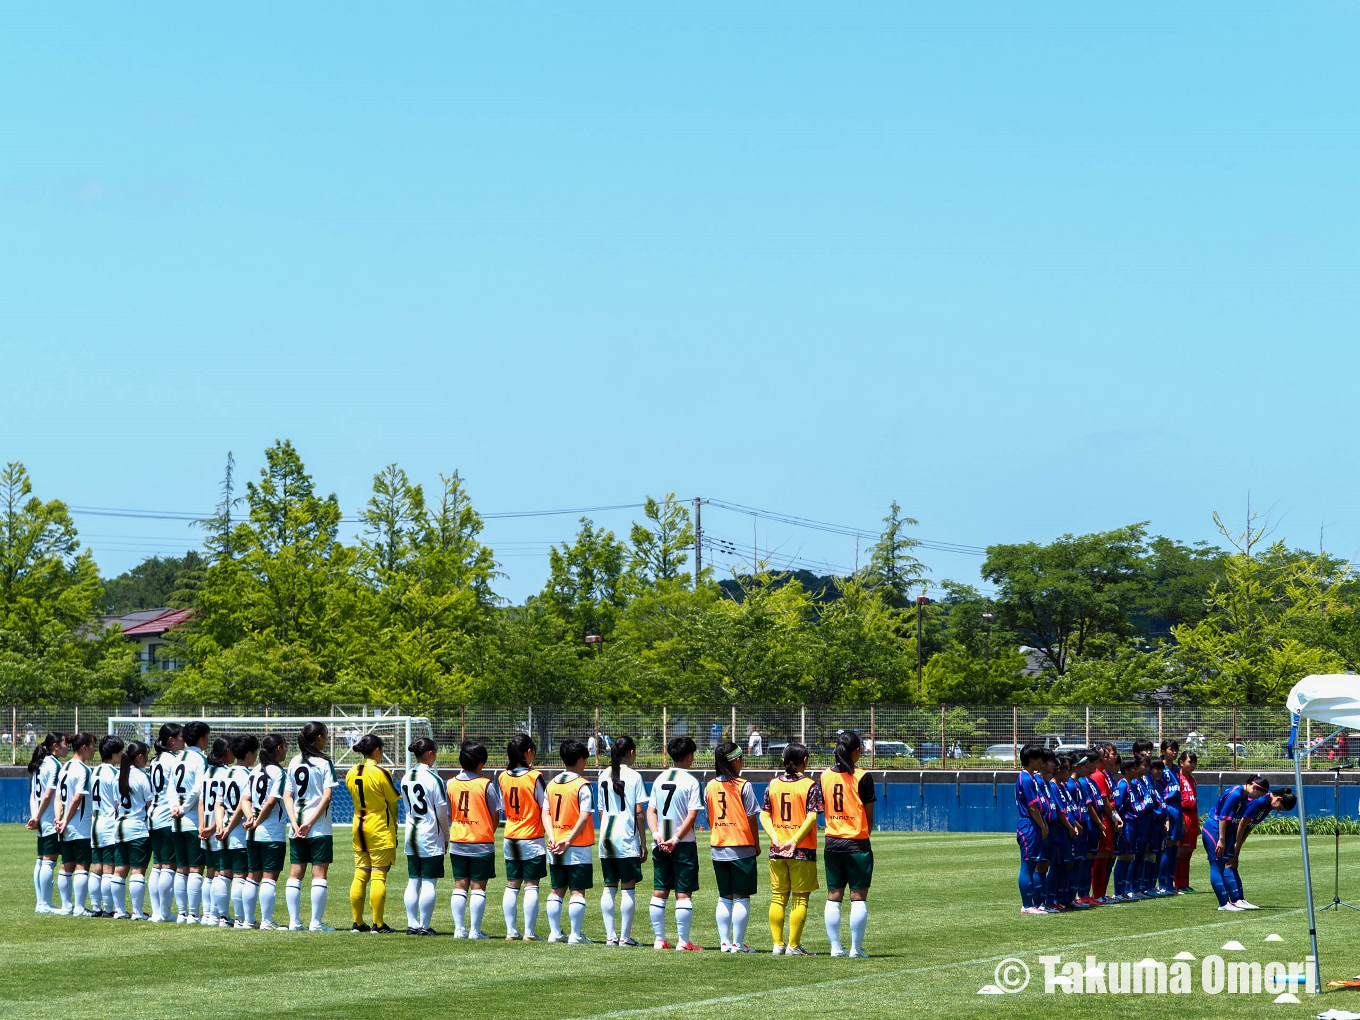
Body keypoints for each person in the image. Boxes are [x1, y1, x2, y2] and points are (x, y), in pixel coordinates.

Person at [760, 741, 823, 955]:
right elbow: (812, 815)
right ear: (804, 761)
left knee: (778, 897)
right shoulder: (810, 785)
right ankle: (793, 945)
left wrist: (776, 838)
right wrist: (794, 840)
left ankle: (777, 944)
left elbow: (764, 814)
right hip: (802, 851)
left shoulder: (773, 784)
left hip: (776, 851)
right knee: (800, 897)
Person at [820, 730, 875, 957]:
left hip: (832, 841)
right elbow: (869, 816)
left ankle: (835, 948)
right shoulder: (863, 777)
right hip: (856, 843)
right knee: (858, 897)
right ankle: (855, 948)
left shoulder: (824, 775)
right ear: (856, 751)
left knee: (834, 896)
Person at [646, 734, 703, 951]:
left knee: (660, 891)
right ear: (689, 756)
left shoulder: (660, 778)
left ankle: (659, 940)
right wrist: (677, 838)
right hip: (683, 844)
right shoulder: (691, 780)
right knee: (683, 893)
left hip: (660, 842)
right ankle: (683, 941)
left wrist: (656, 834)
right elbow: (692, 815)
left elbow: (651, 810)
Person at [706, 740, 761, 953]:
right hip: (741, 846)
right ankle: (738, 943)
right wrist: (755, 844)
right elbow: (751, 819)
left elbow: (711, 817)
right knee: (742, 897)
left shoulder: (710, 785)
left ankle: (724, 942)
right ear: (737, 760)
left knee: (724, 897)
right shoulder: (743, 785)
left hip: (719, 847)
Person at [283, 721, 338, 931]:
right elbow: (327, 796)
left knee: (295, 874)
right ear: (318, 739)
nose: (327, 739)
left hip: (296, 827)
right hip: (318, 828)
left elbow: (287, 796)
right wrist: (309, 823)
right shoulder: (324, 763)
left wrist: (295, 823)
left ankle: (293, 921)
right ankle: (316, 922)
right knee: (319, 874)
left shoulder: (294, 761)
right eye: (325, 735)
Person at [344, 734, 401, 934]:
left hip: (358, 826)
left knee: (360, 874)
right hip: (378, 826)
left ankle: (357, 923)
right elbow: (392, 802)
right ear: (377, 750)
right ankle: (378, 924)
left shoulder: (351, 772)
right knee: (378, 875)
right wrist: (395, 821)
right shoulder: (381, 772)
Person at [446, 740, 503, 939]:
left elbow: (450, 812)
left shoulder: (451, 783)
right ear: (481, 763)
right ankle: (474, 931)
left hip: (458, 842)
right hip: (481, 842)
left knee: (459, 885)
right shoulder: (485, 784)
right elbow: (495, 814)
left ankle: (458, 929)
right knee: (478, 887)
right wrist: (488, 830)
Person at [596, 734, 648, 947]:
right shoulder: (634, 776)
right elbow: (639, 812)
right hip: (626, 838)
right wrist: (643, 843)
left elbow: (601, 811)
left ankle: (610, 936)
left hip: (606, 838)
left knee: (609, 887)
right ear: (631, 753)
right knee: (628, 887)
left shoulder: (602, 775)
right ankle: (625, 938)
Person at [499, 733, 549, 941]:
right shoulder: (534, 777)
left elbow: (503, 807)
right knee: (531, 884)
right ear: (528, 753)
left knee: (512, 884)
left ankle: (511, 931)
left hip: (510, 836)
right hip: (531, 837)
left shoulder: (502, 776)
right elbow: (543, 806)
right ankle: (529, 932)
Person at [546, 738, 595, 945]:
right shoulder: (582, 785)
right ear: (581, 759)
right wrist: (568, 840)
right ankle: (575, 934)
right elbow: (584, 817)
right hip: (577, 846)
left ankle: (554, 932)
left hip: (555, 844)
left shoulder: (552, 783)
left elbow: (545, 813)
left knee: (557, 889)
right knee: (577, 890)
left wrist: (553, 837)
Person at [400, 737, 449, 936]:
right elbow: (441, 813)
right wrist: (446, 835)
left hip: (411, 833)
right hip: (430, 834)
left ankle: (412, 923)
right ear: (430, 754)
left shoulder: (405, 777)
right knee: (429, 881)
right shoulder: (434, 779)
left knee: (413, 880)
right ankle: (425, 925)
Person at [1200, 774, 1269, 911]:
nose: (1258, 798)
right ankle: (1223, 903)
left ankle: (1232, 901)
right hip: (1214, 828)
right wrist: (1221, 839)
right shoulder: (1236, 794)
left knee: (1222, 864)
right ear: (1254, 787)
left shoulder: (1242, 795)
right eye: (1259, 794)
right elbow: (1223, 818)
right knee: (1216, 864)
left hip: (1224, 830)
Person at [244, 733, 288, 929]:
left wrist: (250, 818)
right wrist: (258, 821)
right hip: (270, 833)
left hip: (252, 834)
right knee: (270, 877)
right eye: (285, 746)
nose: (287, 750)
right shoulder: (278, 772)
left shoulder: (254, 771)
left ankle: (248, 920)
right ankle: (267, 921)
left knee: (253, 877)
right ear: (278, 748)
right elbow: (271, 802)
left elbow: (244, 800)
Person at [1229, 787, 1297, 910]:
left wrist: (1242, 841)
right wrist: (1237, 843)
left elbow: (1252, 824)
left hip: (1238, 834)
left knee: (1234, 864)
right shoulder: (1260, 801)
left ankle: (1240, 898)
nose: (1279, 810)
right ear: (1278, 799)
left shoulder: (1268, 805)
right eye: (1280, 807)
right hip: (1231, 830)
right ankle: (1233, 900)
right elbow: (1243, 822)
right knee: (1230, 864)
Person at [171, 720, 212, 924]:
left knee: (181, 867)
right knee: (196, 868)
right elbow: (198, 790)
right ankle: (194, 914)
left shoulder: (177, 758)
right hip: (192, 820)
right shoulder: (200, 759)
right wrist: (185, 808)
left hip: (175, 821)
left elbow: (171, 788)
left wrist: (175, 807)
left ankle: (181, 913)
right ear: (202, 738)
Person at [54, 732, 96, 915]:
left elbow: (58, 797)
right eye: (93, 745)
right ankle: (79, 907)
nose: (95, 749)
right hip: (79, 825)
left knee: (66, 865)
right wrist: (66, 820)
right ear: (85, 747)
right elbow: (77, 798)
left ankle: (66, 906)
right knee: (82, 865)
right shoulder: (83, 770)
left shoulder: (64, 767)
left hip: (64, 825)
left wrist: (59, 819)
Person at [219, 734, 258, 928]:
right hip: (239, 831)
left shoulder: (225, 774)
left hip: (223, 832)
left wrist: (220, 825)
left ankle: (224, 916)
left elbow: (219, 804)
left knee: (224, 874)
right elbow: (243, 806)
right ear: (250, 754)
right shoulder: (249, 776)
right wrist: (228, 828)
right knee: (240, 875)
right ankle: (240, 918)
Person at [26, 732, 67, 914]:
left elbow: (33, 795)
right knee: (49, 861)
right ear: (56, 746)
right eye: (65, 744)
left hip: (41, 819)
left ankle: (40, 902)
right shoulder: (55, 765)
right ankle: (44, 904)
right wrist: (40, 816)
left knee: (41, 861)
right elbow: (49, 794)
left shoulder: (39, 764)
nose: (67, 747)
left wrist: (35, 816)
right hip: (49, 819)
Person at [147, 722, 185, 922]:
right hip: (166, 815)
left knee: (158, 864)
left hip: (153, 815)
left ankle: (156, 912)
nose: (184, 740)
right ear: (172, 740)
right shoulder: (174, 760)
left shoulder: (155, 761)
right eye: (181, 736)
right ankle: (164, 912)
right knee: (169, 865)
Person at [114, 740, 154, 920]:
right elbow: (149, 805)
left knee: (120, 870)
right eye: (146, 755)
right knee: (138, 870)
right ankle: (137, 912)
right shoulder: (140, 776)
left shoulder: (118, 776)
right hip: (137, 828)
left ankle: (119, 911)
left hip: (120, 827)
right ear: (139, 757)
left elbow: (116, 804)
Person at [89, 735, 125, 917]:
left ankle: (96, 907)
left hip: (95, 823)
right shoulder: (114, 774)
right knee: (109, 867)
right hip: (110, 823)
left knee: (97, 867)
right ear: (115, 753)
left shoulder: (93, 771)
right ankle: (109, 909)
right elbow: (118, 803)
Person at [200, 735, 232, 926]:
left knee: (210, 872)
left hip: (206, 827)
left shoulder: (207, 773)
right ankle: (222, 915)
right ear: (228, 752)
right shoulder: (226, 773)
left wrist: (202, 826)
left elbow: (202, 801)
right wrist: (213, 827)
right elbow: (225, 804)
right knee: (221, 872)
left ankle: (208, 915)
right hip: (218, 827)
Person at [1015, 744, 1049, 914]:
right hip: (1029, 825)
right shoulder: (1027, 779)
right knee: (1028, 865)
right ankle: (1027, 905)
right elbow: (1032, 807)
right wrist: (1043, 826)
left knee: (1032, 864)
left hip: (1032, 824)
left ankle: (1032, 904)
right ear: (1031, 760)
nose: (1042, 761)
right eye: (1039, 758)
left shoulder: (1030, 777)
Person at [1174, 749, 1199, 892]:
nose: (1193, 765)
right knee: (1181, 852)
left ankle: (1185, 883)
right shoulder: (1178, 778)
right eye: (1190, 762)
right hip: (1184, 816)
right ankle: (1177, 884)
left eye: (1194, 762)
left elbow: (1194, 800)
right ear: (1181, 762)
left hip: (1193, 817)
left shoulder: (1192, 779)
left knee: (1188, 852)